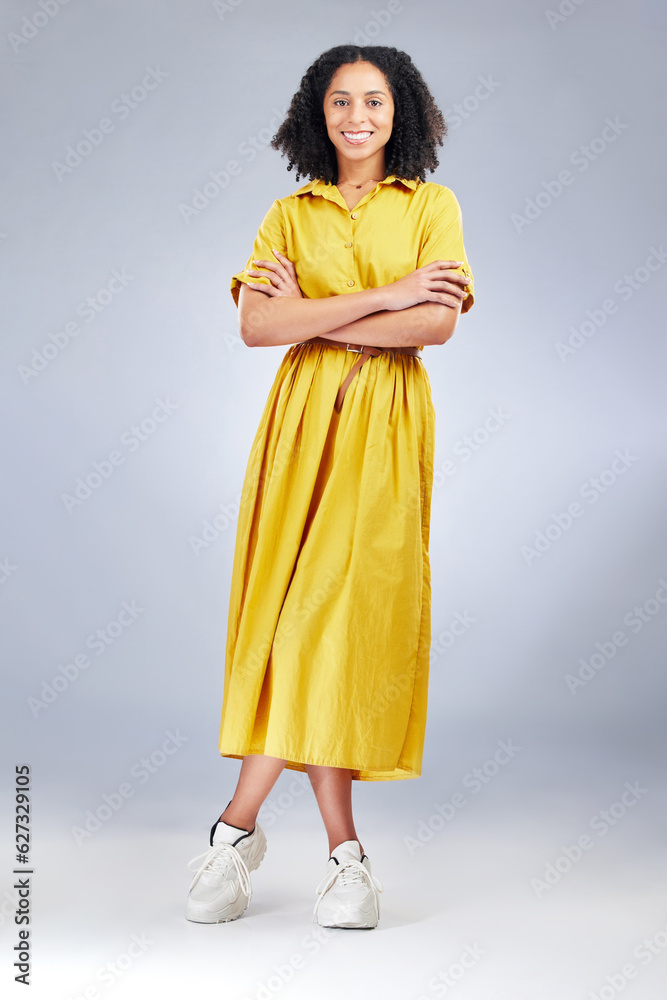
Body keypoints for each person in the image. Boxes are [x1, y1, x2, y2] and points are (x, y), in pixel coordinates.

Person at [185, 43, 474, 930]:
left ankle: (236, 831)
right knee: (288, 619)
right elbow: (256, 324)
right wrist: (383, 293)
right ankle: (343, 860)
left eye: (375, 101)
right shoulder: (287, 212)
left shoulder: (431, 204)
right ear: (318, 114)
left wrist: (324, 309)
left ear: (403, 114)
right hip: (298, 426)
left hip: (384, 428)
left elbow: (437, 321)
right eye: (340, 101)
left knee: (323, 621)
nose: (357, 116)